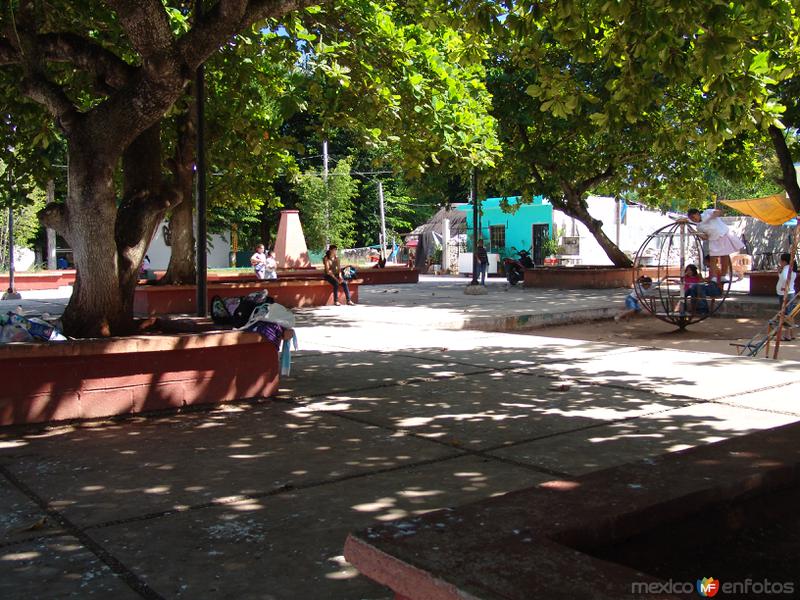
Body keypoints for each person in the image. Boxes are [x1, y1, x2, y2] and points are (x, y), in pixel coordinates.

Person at [687, 208, 744, 286]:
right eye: (691, 219)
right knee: (713, 258)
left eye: (694, 217)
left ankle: (723, 276)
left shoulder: (707, 213)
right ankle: (713, 277)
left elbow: (720, 212)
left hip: (723, 234)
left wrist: (712, 216)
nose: (694, 219)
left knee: (725, 255)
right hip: (713, 240)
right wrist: (695, 232)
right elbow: (705, 237)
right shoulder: (699, 226)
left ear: (697, 213)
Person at [777, 253, 798, 341]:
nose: (780, 262)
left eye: (781, 261)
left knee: (785, 314)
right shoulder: (791, 268)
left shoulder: (787, 269)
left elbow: (785, 278)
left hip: (785, 293)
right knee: (789, 314)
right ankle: (791, 334)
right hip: (790, 292)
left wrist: (784, 287)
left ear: (784, 261)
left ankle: (787, 335)